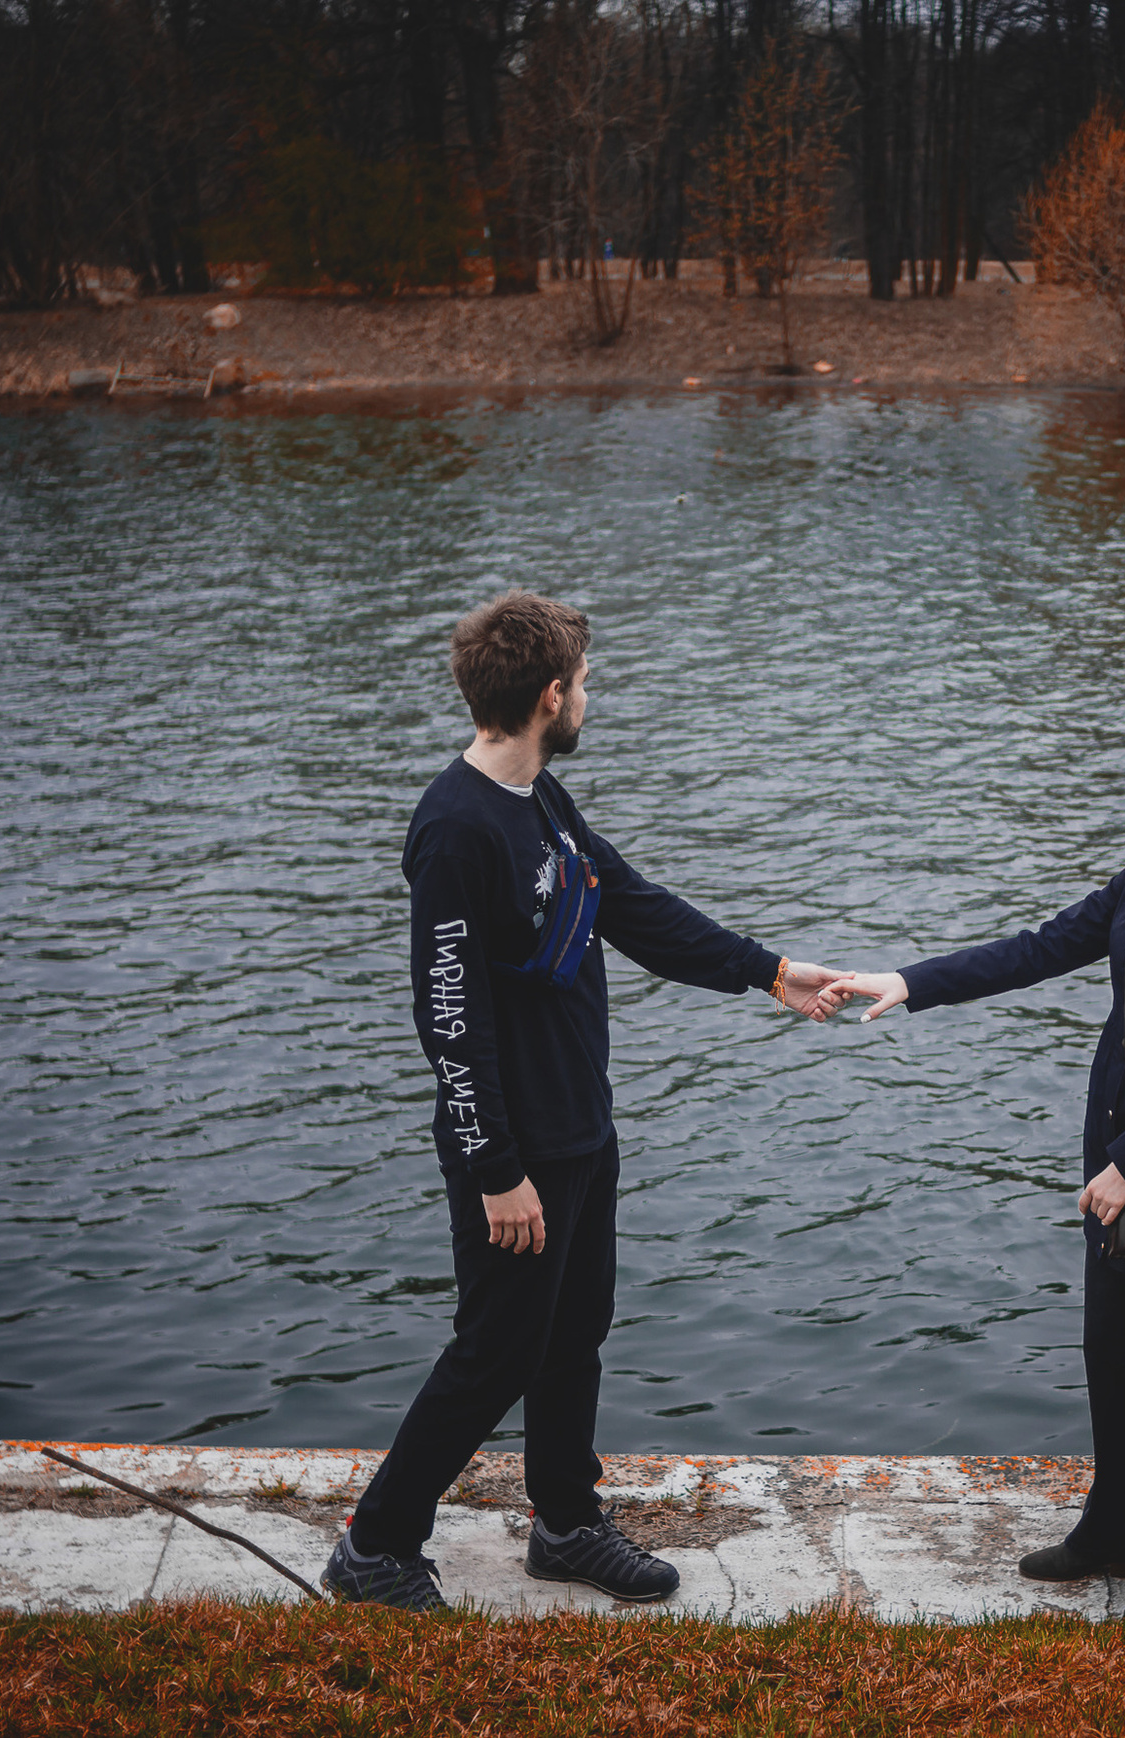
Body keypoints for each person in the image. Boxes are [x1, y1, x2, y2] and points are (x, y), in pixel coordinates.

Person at [323, 591, 849, 1612]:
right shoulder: (455, 831)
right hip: (515, 1148)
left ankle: (564, 1522)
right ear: (550, 695)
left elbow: (633, 904)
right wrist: (496, 1168)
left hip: (580, 1127)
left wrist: (770, 970)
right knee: (496, 1349)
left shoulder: (541, 803)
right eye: (587, 684)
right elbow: (448, 1021)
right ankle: (374, 1542)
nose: (588, 698)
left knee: (574, 1331)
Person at [819, 704, 1125, 1623]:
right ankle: (1117, 1530)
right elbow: (1042, 947)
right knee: (1116, 1357)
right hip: (1122, 1170)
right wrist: (909, 981)